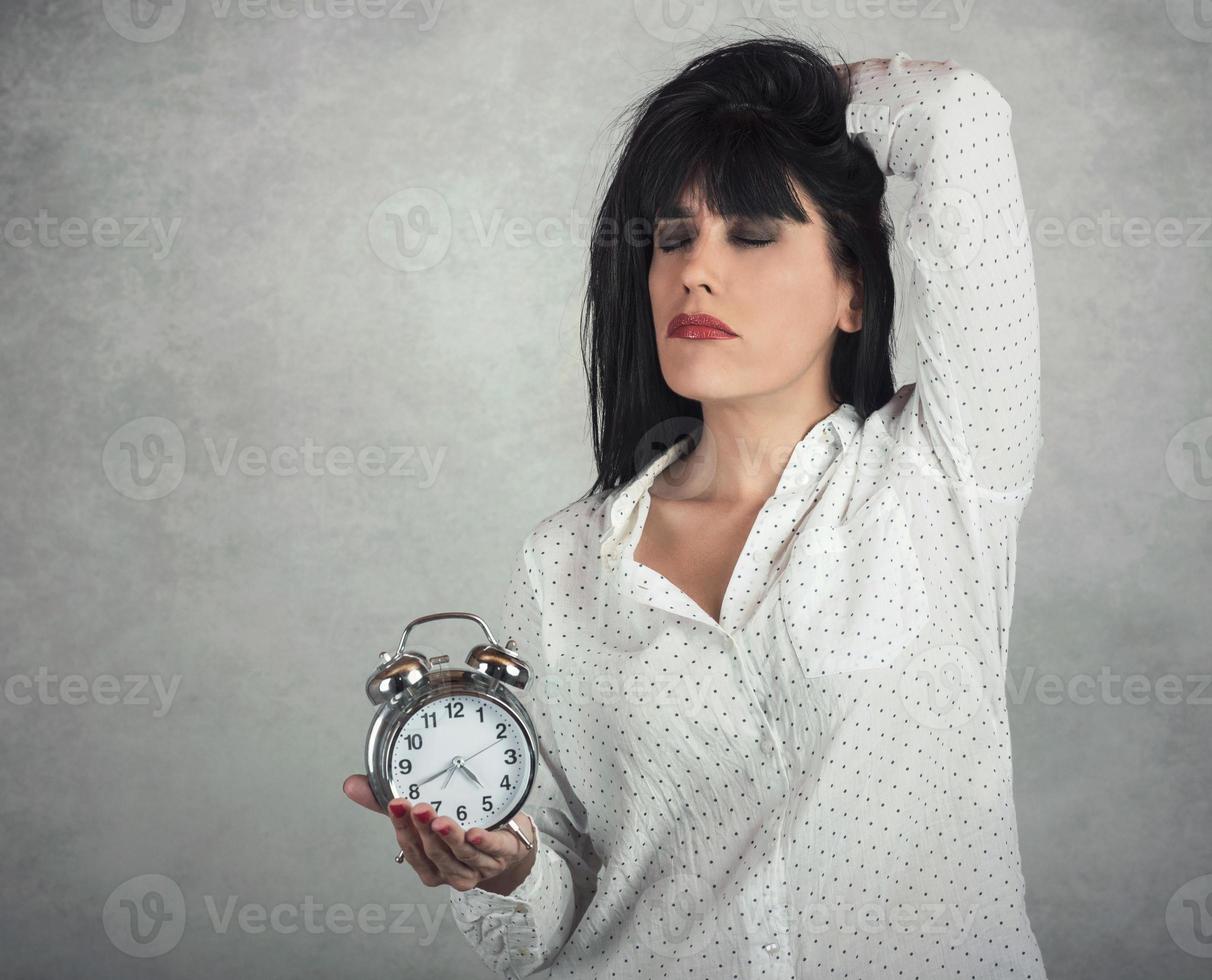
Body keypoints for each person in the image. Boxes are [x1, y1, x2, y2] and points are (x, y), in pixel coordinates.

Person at [345, 31, 1046, 979]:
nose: (694, 271)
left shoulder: (939, 477)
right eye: (673, 237)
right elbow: (558, 898)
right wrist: (504, 872)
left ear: (853, 289)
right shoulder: (565, 562)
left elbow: (956, 116)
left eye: (752, 232)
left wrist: (770, 107)